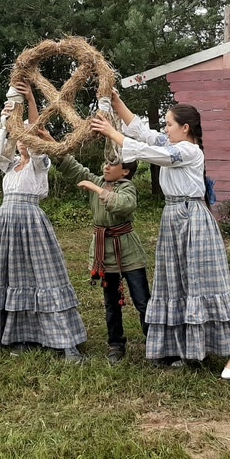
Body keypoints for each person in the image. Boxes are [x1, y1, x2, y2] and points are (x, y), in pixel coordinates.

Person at [91, 91, 230, 379]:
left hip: (192, 218)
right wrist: (115, 101)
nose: (165, 129)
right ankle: (186, 347)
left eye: (169, 124)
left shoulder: (189, 151)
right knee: (175, 283)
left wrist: (113, 133)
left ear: (185, 128)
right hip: (173, 217)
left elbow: (154, 153)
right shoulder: (173, 143)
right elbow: (143, 133)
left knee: (204, 282)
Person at [0, 82, 86, 362]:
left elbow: (37, 130)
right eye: (20, 137)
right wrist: (8, 116)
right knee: (11, 276)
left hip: (31, 222)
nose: (23, 141)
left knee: (42, 276)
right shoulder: (10, 164)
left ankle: (62, 340)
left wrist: (31, 98)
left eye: (27, 137)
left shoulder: (40, 164)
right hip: (6, 223)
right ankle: (17, 335)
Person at [46, 139, 151, 364]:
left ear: (125, 171)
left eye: (112, 164)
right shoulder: (99, 180)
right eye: (106, 162)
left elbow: (124, 205)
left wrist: (96, 188)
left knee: (142, 300)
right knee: (111, 302)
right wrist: (51, 143)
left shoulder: (127, 187)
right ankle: (115, 344)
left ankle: (155, 341)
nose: (106, 166)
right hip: (104, 255)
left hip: (129, 251)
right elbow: (73, 167)